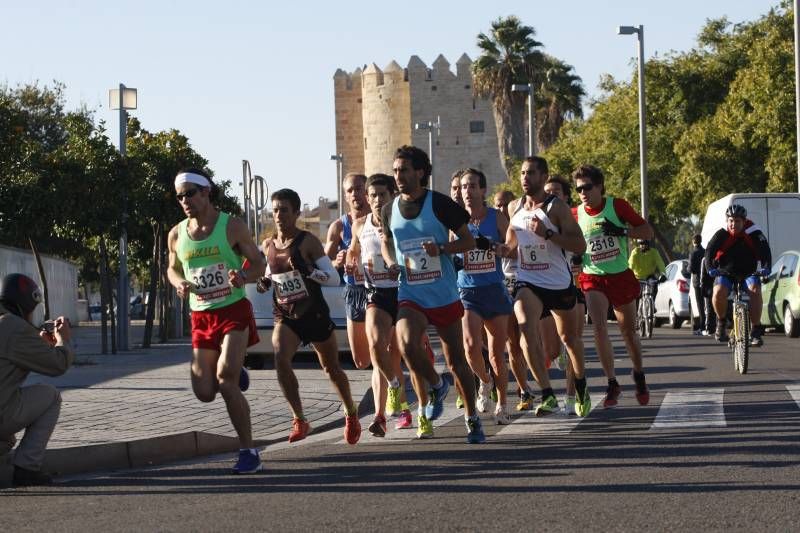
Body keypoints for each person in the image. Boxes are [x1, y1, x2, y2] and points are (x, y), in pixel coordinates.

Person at [381, 145, 485, 443]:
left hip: (442, 292)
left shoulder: (440, 204)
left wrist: (441, 249)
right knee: (406, 344)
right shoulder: (389, 209)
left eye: (403, 170)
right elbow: (387, 242)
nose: (398, 175)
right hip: (410, 290)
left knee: (457, 362)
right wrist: (391, 263)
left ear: (420, 172)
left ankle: (472, 419)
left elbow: (469, 242)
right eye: (395, 170)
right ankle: (438, 385)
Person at [167, 169, 266, 474]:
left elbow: (259, 264)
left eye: (191, 193)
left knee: (225, 381)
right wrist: (179, 283)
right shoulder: (176, 234)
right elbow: (171, 269)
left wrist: (244, 275)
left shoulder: (231, 226)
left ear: (206, 192)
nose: (185, 200)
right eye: (180, 196)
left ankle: (249, 451)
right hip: (201, 315)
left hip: (233, 310)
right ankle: (238, 371)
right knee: (205, 392)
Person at [260, 188, 362, 445]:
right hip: (286, 314)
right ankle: (300, 418)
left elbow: (333, 278)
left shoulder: (308, 242)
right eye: (275, 210)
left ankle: (350, 412)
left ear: (296, 212)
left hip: (313, 314)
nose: (279, 215)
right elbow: (270, 275)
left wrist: (308, 270)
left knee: (331, 368)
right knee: (280, 358)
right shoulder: (269, 245)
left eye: (284, 210)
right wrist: (263, 283)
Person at [499, 157, 591, 417]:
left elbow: (579, 245)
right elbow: (510, 245)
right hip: (528, 279)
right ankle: (547, 393)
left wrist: (548, 234)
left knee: (569, 339)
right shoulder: (514, 207)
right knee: (526, 327)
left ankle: (581, 384)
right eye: (522, 173)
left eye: (531, 173)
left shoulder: (556, 208)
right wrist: (497, 249)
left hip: (558, 282)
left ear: (543, 176)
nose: (525, 178)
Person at [574, 164, 652, 408]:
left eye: (587, 187)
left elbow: (647, 231)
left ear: (599, 186)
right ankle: (611, 382)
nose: (583, 193)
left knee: (628, 331)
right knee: (598, 328)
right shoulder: (575, 213)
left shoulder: (616, 206)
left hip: (619, 275)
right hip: (592, 276)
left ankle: (638, 374)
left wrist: (622, 230)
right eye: (578, 189)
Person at [347, 174, 415, 435]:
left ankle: (408, 406)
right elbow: (354, 249)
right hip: (375, 293)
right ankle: (388, 400)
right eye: (372, 195)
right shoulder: (359, 224)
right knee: (376, 348)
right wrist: (348, 258)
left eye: (382, 195)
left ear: (393, 196)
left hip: (403, 293)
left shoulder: (402, 223)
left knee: (397, 353)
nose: (376, 200)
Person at [0, 274, 74, 486]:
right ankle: (27, 467)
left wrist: (39, 344)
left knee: (6, 440)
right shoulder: (14, 326)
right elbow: (57, 365)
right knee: (50, 396)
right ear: (25, 304)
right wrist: (62, 340)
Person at [457, 168, 512, 424]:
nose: (467, 192)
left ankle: (502, 404)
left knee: (496, 354)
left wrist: (491, 247)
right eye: (463, 187)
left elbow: (512, 250)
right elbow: (452, 253)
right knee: (469, 346)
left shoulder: (497, 218)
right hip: (467, 291)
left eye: (472, 186)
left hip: (494, 290)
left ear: (483, 190)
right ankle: (485, 382)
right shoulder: (456, 220)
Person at [324, 173, 372, 410]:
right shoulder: (338, 226)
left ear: (367, 191)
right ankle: (386, 369)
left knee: (385, 349)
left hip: (379, 289)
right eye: (351, 190)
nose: (356, 194)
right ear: (345, 195)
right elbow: (323, 264)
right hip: (353, 291)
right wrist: (337, 261)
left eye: (360, 189)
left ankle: (391, 394)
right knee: (361, 360)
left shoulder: (379, 220)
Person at [544, 175, 585, 414]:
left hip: (575, 288)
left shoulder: (575, 218)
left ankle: (572, 397)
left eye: (556, 191)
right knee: (551, 350)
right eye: (548, 191)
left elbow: (586, 246)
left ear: (566, 196)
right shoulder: (536, 219)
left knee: (572, 342)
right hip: (547, 289)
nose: (551, 195)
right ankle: (556, 353)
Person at [705, 204, 772, 346]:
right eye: (731, 221)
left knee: (755, 289)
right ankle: (721, 322)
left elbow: (765, 251)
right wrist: (710, 268)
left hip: (749, 273)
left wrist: (766, 267)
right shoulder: (722, 234)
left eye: (737, 221)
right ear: (727, 221)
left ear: (744, 221)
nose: (733, 224)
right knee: (718, 292)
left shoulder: (754, 232)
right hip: (726, 272)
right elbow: (709, 251)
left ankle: (755, 330)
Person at [628, 239, 666, 314]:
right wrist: (628, 276)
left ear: (648, 245)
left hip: (649, 276)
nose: (643, 246)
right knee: (636, 294)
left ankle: (652, 304)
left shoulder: (654, 252)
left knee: (654, 285)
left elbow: (660, 263)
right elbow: (630, 265)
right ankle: (635, 313)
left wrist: (663, 274)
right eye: (641, 244)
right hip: (637, 277)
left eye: (645, 244)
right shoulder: (635, 252)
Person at [688, 234, 707, 335]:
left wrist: (687, 269)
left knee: (700, 305)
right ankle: (709, 325)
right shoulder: (705, 252)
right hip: (706, 280)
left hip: (697, 281)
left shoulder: (693, 253)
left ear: (693, 241)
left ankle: (702, 326)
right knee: (707, 304)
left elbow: (691, 269)